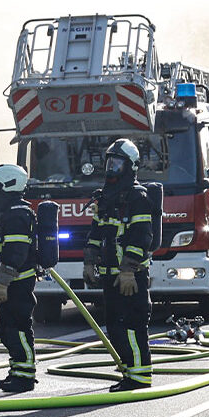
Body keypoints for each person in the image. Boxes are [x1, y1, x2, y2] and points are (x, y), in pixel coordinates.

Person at [84, 138, 155, 392]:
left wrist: (128, 270)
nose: (111, 168)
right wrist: (89, 261)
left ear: (130, 166)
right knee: (114, 327)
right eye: (109, 163)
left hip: (130, 277)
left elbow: (141, 237)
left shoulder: (138, 197)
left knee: (134, 328)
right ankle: (129, 372)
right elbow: (96, 232)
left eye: (117, 164)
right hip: (110, 277)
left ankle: (140, 376)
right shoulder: (105, 197)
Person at [0, 164, 41, 393]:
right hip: (11, 281)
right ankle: (17, 372)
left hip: (17, 282)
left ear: (8, 185)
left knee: (18, 327)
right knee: (8, 329)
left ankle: (25, 376)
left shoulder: (17, 213)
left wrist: (3, 283)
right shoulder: (8, 211)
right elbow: (5, 247)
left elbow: (16, 253)